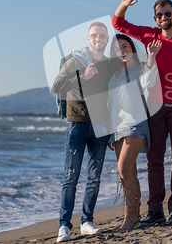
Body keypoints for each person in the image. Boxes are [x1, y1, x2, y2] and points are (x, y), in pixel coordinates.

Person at [112, 0, 172, 225]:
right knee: (155, 160)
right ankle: (154, 210)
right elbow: (118, 24)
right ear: (155, 19)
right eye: (159, 15)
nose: (163, 18)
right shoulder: (150, 35)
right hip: (154, 108)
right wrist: (125, 4)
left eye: (167, 13)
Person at [52, 22, 115, 242]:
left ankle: (87, 221)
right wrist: (81, 75)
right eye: (94, 35)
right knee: (71, 177)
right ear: (88, 39)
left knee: (94, 178)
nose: (98, 38)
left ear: (106, 40)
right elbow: (57, 85)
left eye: (102, 36)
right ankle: (64, 226)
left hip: (100, 126)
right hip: (77, 123)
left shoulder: (108, 63)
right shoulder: (76, 60)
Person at [107, 34, 162, 231]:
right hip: (118, 127)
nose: (122, 50)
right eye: (118, 48)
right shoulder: (114, 77)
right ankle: (132, 217)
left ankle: (131, 218)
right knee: (127, 173)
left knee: (123, 169)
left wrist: (151, 58)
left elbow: (149, 82)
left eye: (125, 46)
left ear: (131, 48)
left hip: (135, 125)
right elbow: (111, 104)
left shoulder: (140, 69)